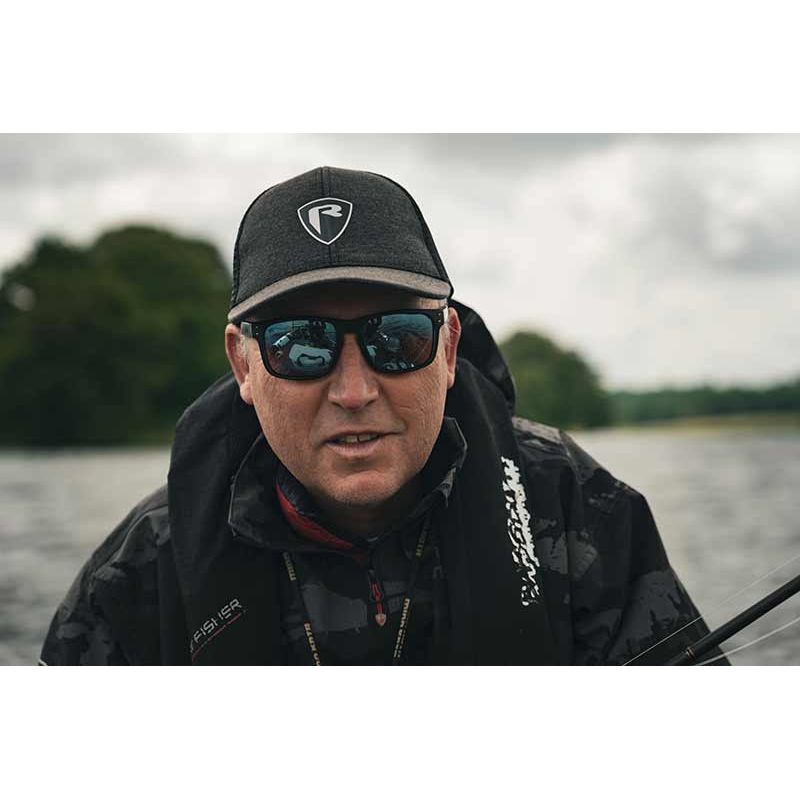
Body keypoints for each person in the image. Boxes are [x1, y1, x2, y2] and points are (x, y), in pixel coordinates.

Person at [40, 166, 719, 665]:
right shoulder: (142, 572)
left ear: (447, 350)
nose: (354, 390)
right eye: (301, 345)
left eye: (398, 339)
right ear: (244, 365)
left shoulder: (578, 507)